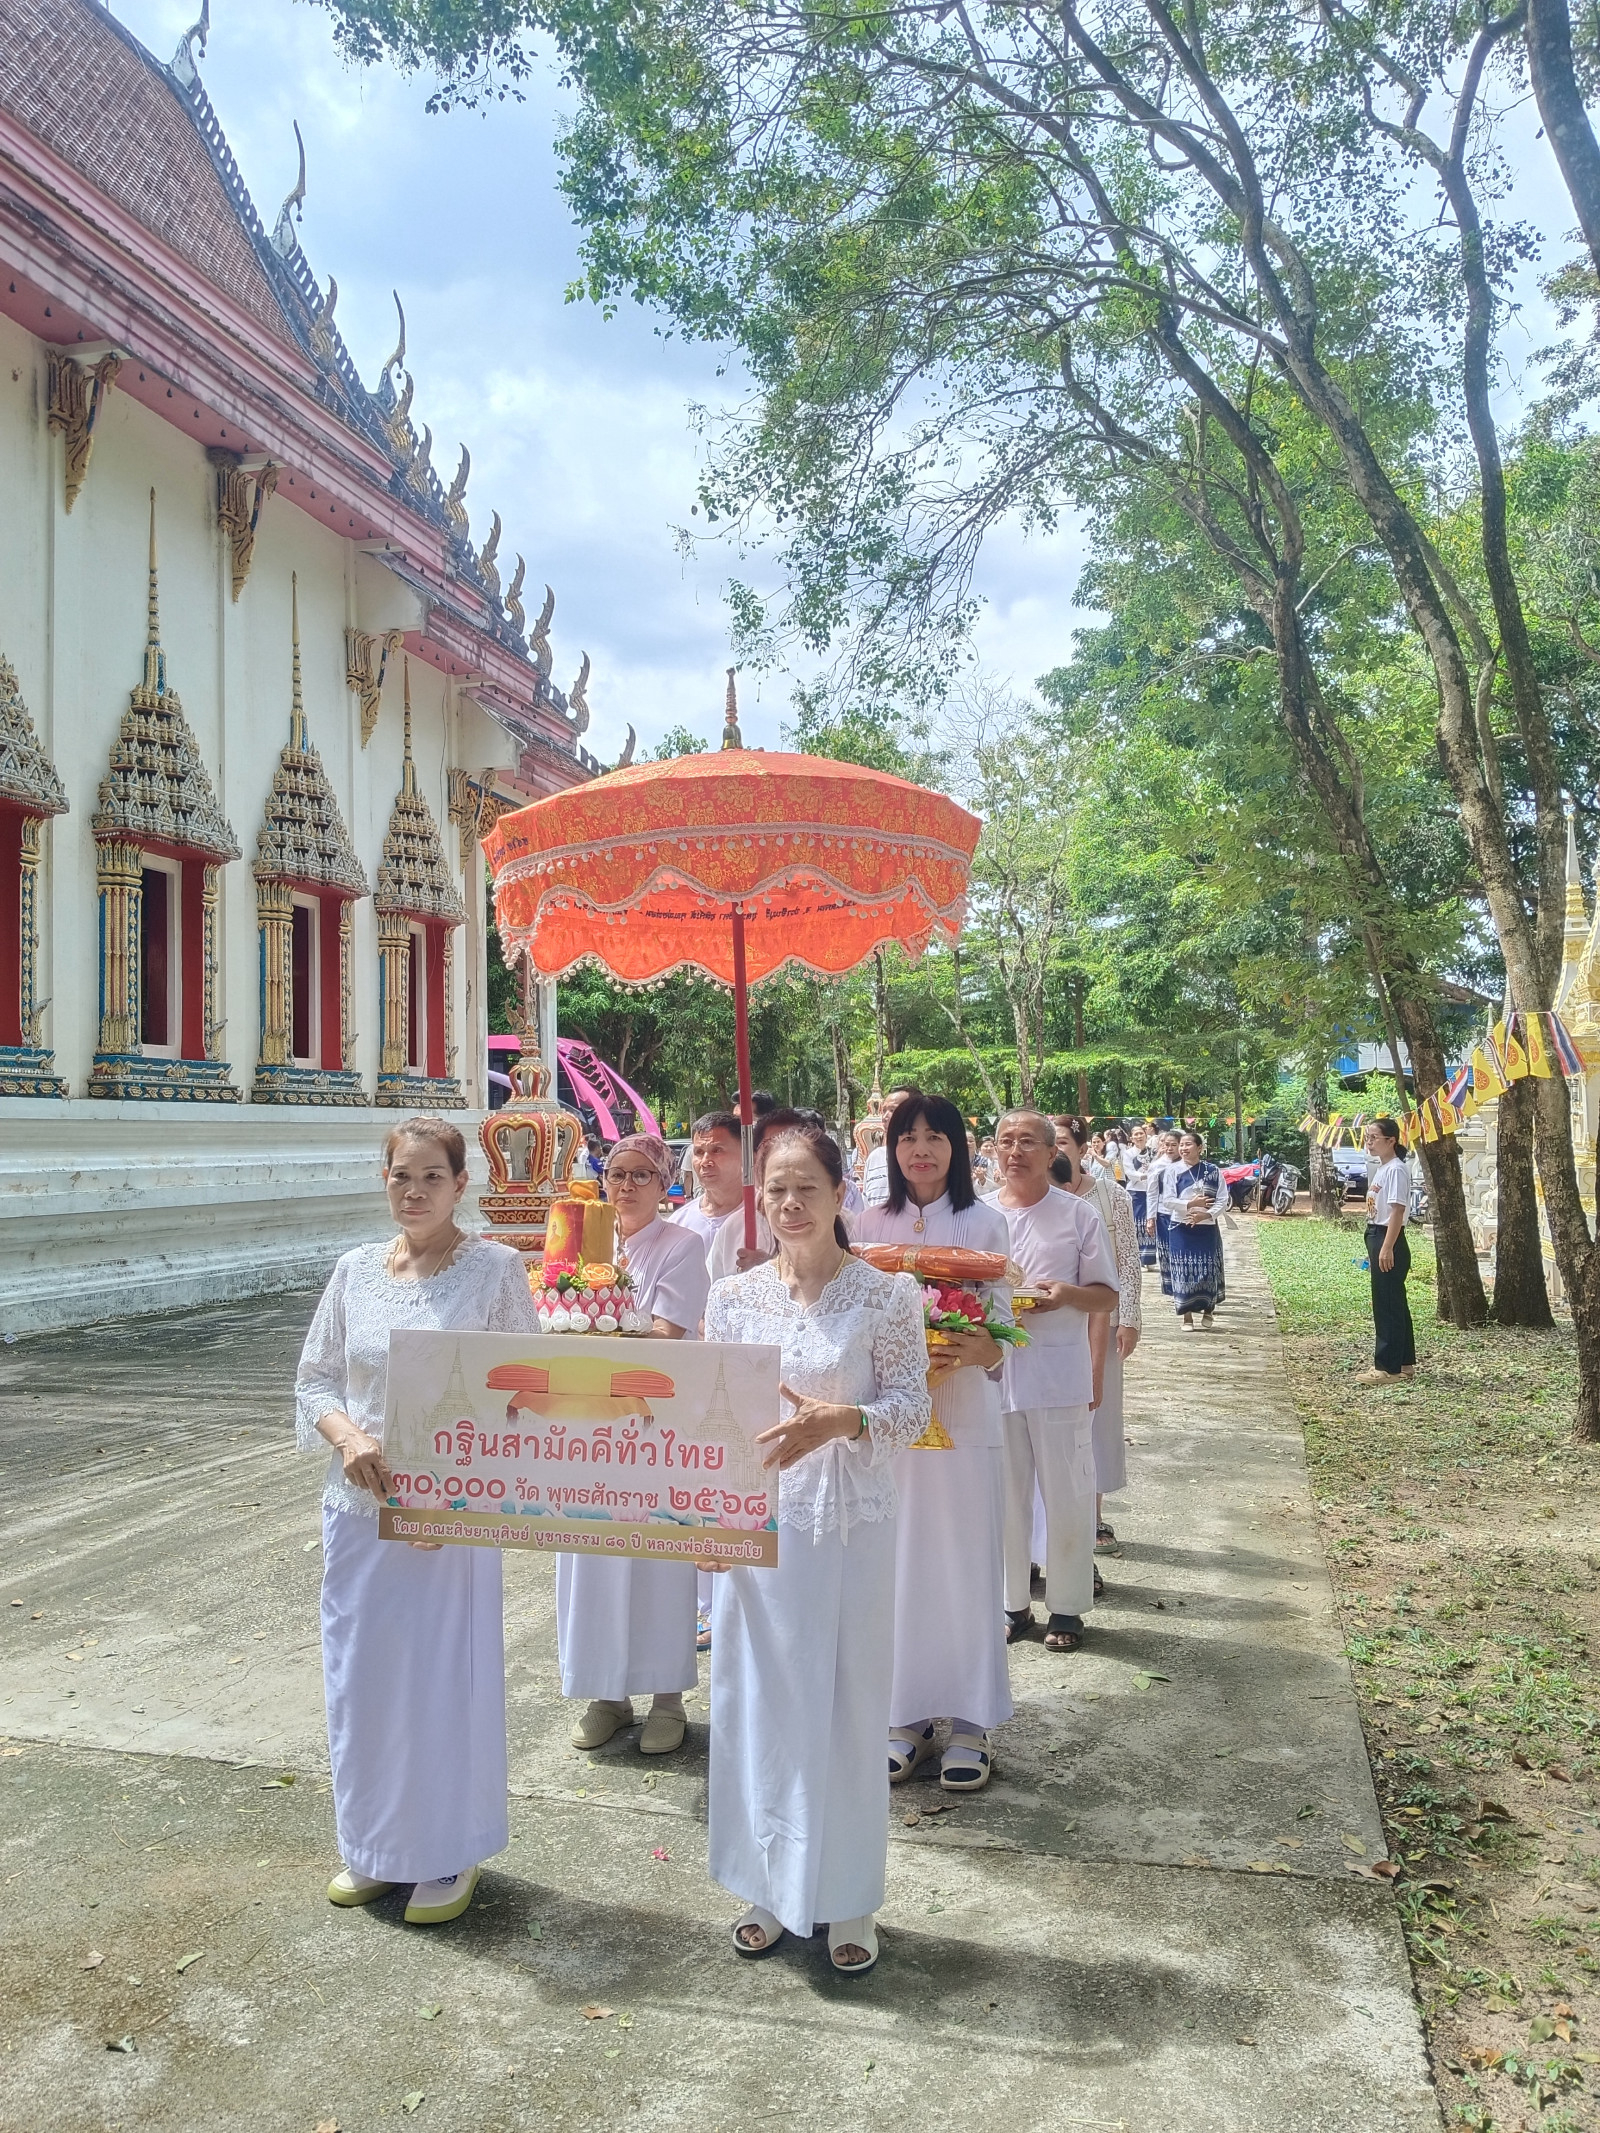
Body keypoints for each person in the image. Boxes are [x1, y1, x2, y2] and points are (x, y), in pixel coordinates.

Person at [294, 1117, 541, 1924]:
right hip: (358, 1505)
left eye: (433, 1176)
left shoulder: (496, 1270)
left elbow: (525, 1388)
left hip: (447, 1516)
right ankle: (373, 1847)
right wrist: (350, 1437)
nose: (414, 1190)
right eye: (401, 1175)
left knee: (441, 1683)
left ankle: (446, 1850)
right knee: (362, 1679)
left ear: (461, 1185)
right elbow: (317, 1380)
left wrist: (467, 1492)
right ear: (385, 1178)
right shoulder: (355, 1270)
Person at [703, 1121, 930, 1973]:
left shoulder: (885, 1296)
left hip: (847, 1532)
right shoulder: (731, 1297)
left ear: (842, 1195)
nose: (791, 1202)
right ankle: (764, 1883)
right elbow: (711, 1417)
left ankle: (847, 1896)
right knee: (761, 1706)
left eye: (807, 1187)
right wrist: (706, 1527)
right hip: (758, 1537)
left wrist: (847, 1419)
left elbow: (914, 1407)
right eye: (776, 1189)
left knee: (842, 1704)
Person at [856, 1093, 1014, 1794]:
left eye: (935, 1136)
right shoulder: (867, 1224)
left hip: (965, 1415)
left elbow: (1005, 1337)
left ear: (957, 1147)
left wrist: (977, 1345)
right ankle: (906, 1716)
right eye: (907, 1137)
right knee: (897, 1564)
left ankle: (972, 1721)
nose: (921, 1148)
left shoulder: (988, 1222)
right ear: (891, 1149)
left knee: (966, 1564)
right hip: (895, 1425)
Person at [558, 1134, 712, 1754]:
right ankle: (607, 1693)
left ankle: (667, 1697)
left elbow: (668, 1333)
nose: (625, 1186)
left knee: (656, 1557)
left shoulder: (682, 1244)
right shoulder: (576, 1241)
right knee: (592, 1554)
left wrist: (592, 1334)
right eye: (616, 1173)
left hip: (653, 1425)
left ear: (664, 1182)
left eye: (641, 1175)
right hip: (582, 1426)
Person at [985, 1111, 1118, 1654]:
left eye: (1026, 1143)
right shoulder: (978, 1215)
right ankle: (1011, 1604)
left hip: (1056, 1370)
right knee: (1003, 1495)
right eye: (1005, 1142)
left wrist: (1065, 1295)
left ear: (1049, 1152)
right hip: (992, 1372)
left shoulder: (1076, 1215)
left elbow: (1106, 1295)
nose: (1014, 1152)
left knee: (1067, 1489)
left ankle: (1066, 1605)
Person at [1055, 1117, 1142, 1554]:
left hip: (1100, 1324)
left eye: (1063, 1143)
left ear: (1083, 1148)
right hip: (1047, 1326)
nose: (1055, 1150)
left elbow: (1127, 1259)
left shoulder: (1111, 1197)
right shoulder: (1029, 1200)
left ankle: (1095, 1517)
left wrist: (1130, 1317)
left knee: (1099, 1419)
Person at [1358, 1117, 1416, 1384]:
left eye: (1374, 1138)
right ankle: (1404, 1363)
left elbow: (1398, 1210)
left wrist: (1387, 1247)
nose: (1369, 1142)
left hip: (1387, 1236)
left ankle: (1387, 1368)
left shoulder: (1396, 1170)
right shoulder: (1382, 1168)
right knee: (1394, 1302)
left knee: (1387, 1305)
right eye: (1367, 1137)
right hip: (1377, 1234)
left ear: (1391, 1141)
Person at [1161, 1130, 1226, 1329]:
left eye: (1188, 1144)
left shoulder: (1212, 1170)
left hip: (1206, 1228)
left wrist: (1206, 1215)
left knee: (1208, 1270)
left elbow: (1224, 1199)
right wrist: (1190, 1204)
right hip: (1181, 1228)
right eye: (1181, 1145)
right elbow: (1168, 1201)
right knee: (1183, 1271)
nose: (1183, 1148)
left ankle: (1209, 1310)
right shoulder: (1172, 1170)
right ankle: (1187, 1317)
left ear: (1200, 1148)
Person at [673, 1110, 745, 1249]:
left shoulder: (768, 1216)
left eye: (717, 1150)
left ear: (744, 1154)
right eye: (699, 1152)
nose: (705, 1162)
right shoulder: (679, 1224)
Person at [861, 1085, 918, 1207]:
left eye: (893, 1110)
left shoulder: (923, 1157)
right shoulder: (875, 1158)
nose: (885, 1117)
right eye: (884, 1111)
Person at [1145, 1128, 1182, 1292]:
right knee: (1166, 1249)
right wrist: (1150, 1217)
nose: (1170, 1148)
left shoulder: (1188, 1164)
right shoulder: (1157, 1166)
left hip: (1184, 1213)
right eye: (1167, 1144)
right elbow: (1152, 1193)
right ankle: (1171, 1284)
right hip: (1164, 1213)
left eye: (1174, 1145)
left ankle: (1184, 1282)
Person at [1123, 1124, 1157, 1269]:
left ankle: (1149, 1258)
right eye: (1135, 1134)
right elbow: (1130, 1173)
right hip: (1136, 1191)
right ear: (1131, 1138)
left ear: (1145, 1135)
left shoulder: (1153, 1152)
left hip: (1153, 1191)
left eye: (1140, 1133)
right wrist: (1146, 1175)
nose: (1138, 1136)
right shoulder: (1128, 1153)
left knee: (1151, 1223)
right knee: (1138, 1224)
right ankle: (1138, 1257)